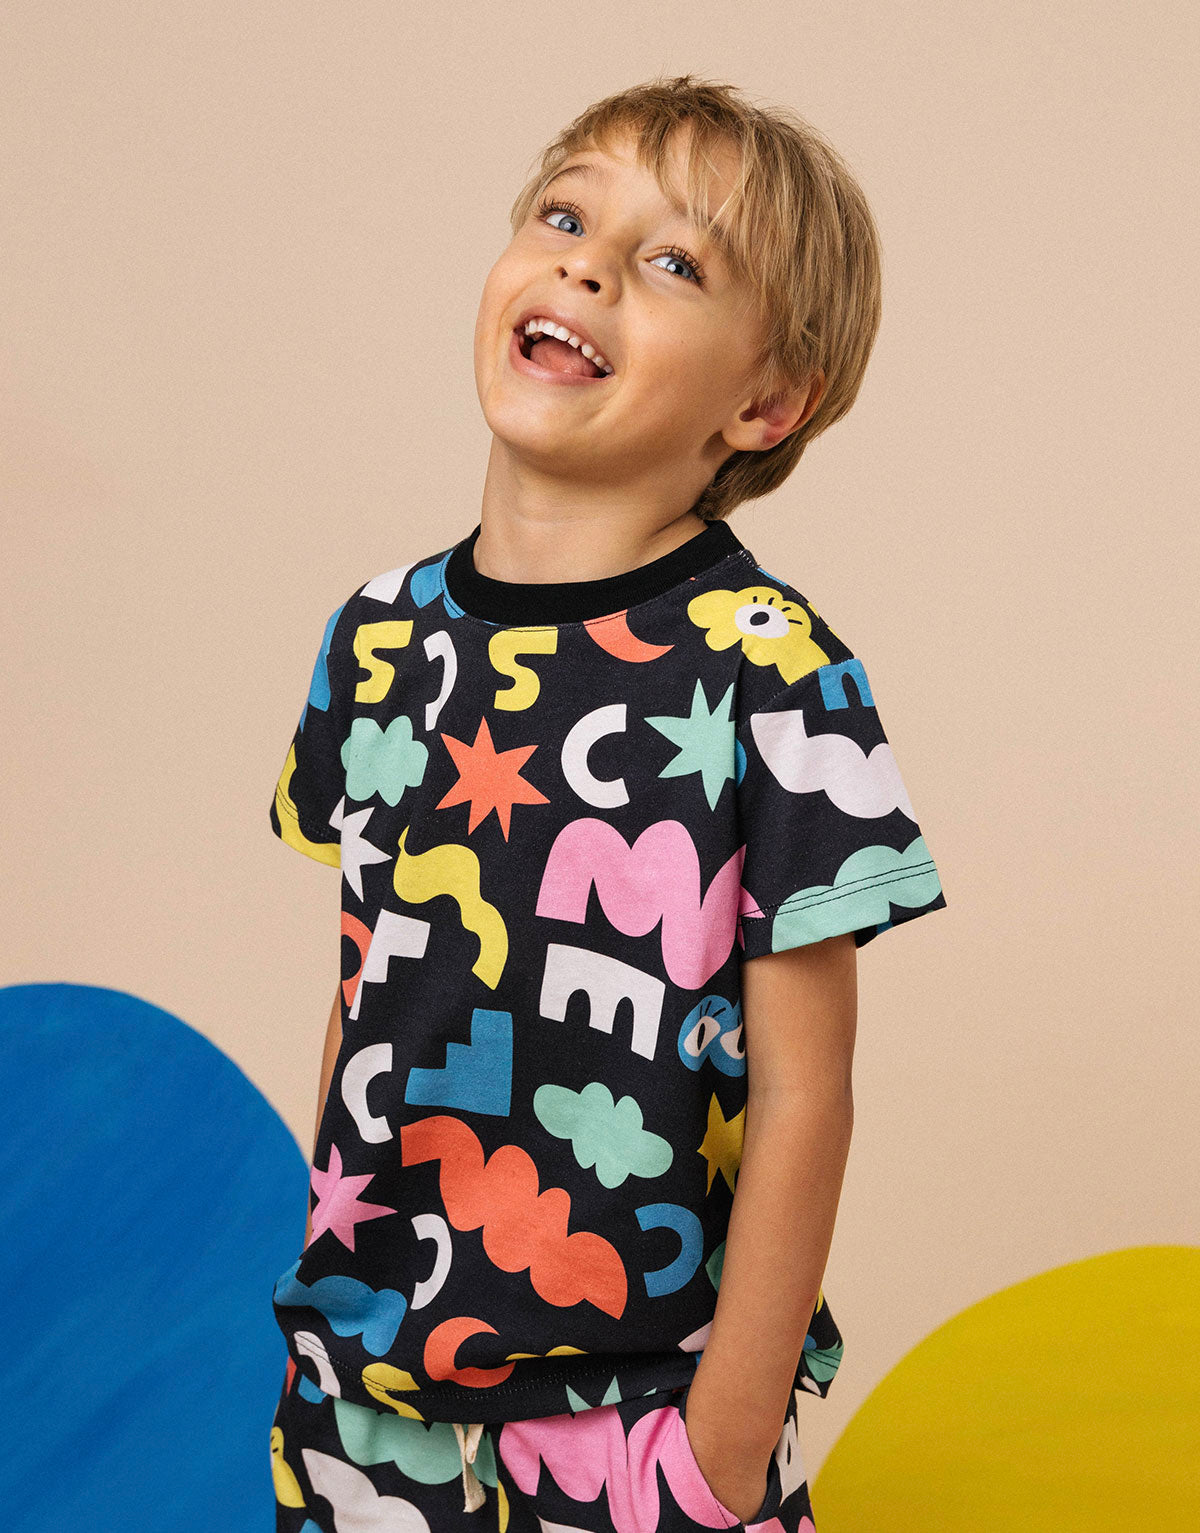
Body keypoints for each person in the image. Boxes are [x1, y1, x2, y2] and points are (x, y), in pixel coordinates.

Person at [266, 73, 946, 1533]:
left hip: (639, 1419)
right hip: (363, 1399)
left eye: (674, 261)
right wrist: (325, 1286)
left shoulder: (772, 672)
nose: (586, 265)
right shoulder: (375, 636)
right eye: (566, 217)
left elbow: (807, 1089)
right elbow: (366, 983)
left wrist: (723, 1442)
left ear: (764, 402)